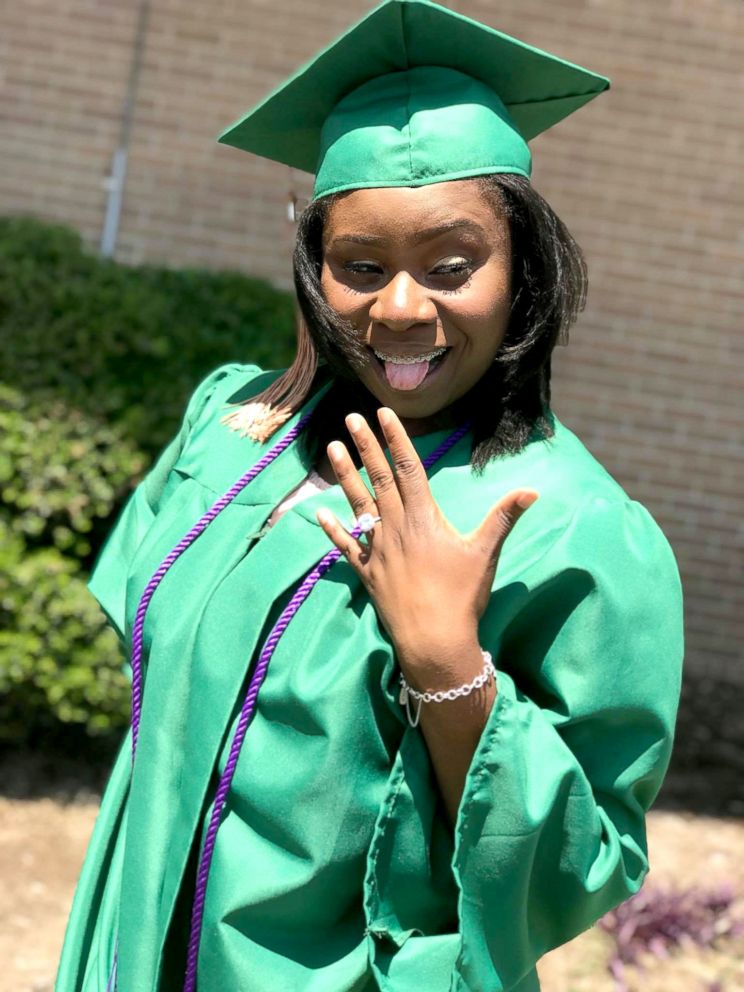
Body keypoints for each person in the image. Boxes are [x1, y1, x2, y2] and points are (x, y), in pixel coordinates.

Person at [56, 1, 684, 990]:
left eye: (450, 264)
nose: (398, 308)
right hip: (131, 950)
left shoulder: (571, 526)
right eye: (358, 265)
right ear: (314, 271)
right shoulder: (236, 428)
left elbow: (583, 862)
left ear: (523, 270)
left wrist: (447, 663)